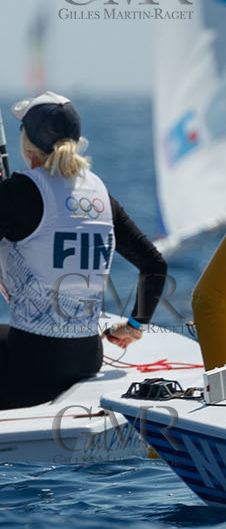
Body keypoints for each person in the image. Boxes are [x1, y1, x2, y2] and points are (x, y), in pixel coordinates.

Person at [0, 93, 168, 409]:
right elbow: (155, 266)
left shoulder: (18, 192)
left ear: (27, 143)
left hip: (30, 371)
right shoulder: (100, 194)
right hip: (87, 360)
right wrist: (134, 326)